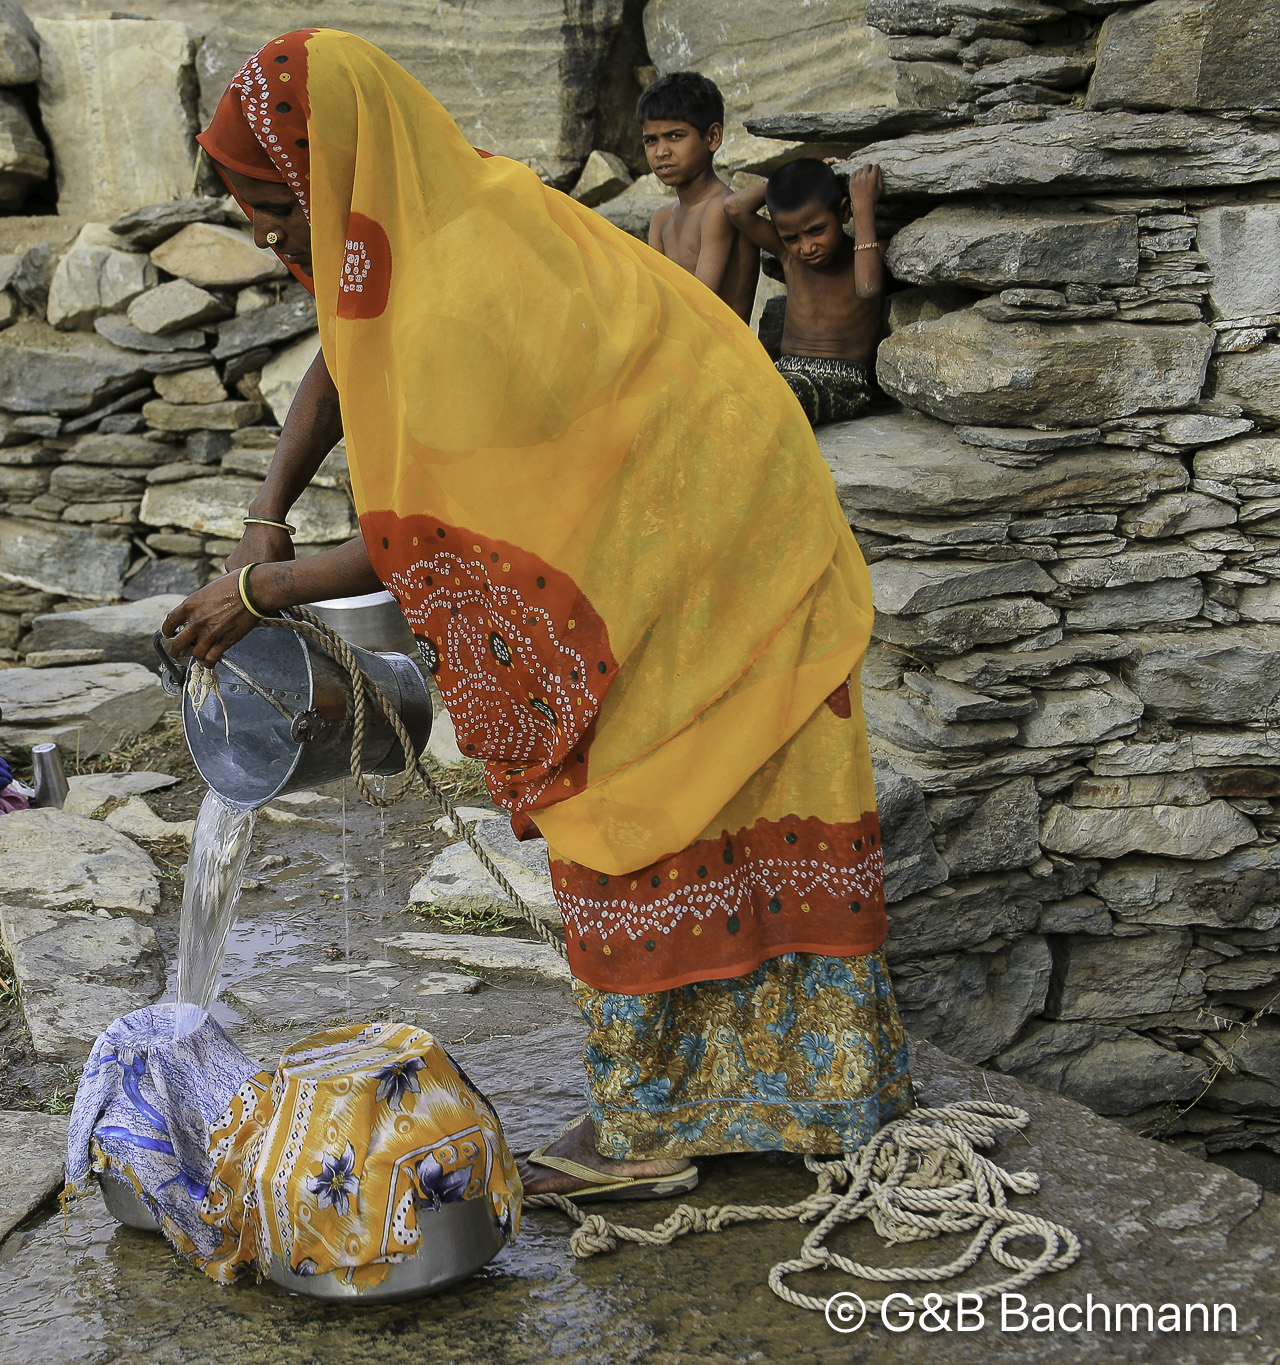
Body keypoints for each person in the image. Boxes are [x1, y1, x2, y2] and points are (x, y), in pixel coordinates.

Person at [165, 30, 909, 1203]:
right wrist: (266, 513)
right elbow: (342, 358)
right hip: (676, 521)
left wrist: (264, 590)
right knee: (672, 813)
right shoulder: (400, 218)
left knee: (627, 801)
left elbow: (441, 533)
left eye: (268, 202)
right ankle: (741, 1103)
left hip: (706, 541)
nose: (260, 231)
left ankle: (661, 1131)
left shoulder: (467, 280)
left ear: (329, 173)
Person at [725, 158, 888, 426]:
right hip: (785, 371)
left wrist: (864, 206)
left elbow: (868, 288)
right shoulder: (791, 259)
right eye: (792, 238)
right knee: (721, 388)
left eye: (816, 231)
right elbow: (734, 208)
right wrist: (790, 181)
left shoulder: (866, 255)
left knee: (771, 397)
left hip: (843, 381)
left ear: (844, 211)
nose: (807, 247)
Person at [640, 72, 757, 321]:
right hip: (679, 348)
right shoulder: (661, 219)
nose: (661, 151)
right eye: (651, 140)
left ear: (713, 137)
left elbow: (700, 303)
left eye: (674, 136)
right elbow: (654, 298)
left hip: (722, 354)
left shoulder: (719, 209)